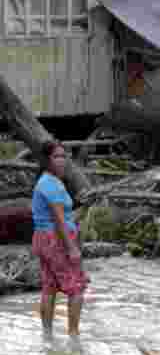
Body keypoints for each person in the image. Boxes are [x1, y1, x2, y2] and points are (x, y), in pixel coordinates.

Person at [32, 140, 88, 338]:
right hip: (56, 240)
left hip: (44, 239)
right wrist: (72, 248)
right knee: (77, 288)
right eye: (56, 157)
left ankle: (47, 336)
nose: (62, 161)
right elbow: (58, 220)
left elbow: (65, 216)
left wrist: (85, 206)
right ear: (46, 160)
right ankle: (74, 336)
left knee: (49, 287)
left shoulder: (48, 182)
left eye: (64, 156)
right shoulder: (51, 184)